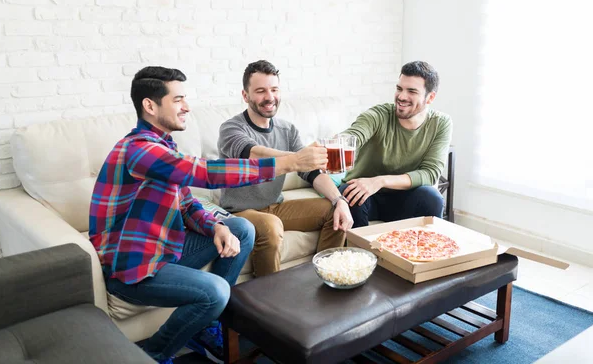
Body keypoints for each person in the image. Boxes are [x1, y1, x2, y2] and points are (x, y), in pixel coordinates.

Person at [89, 66, 325, 364]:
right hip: (134, 266)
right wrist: (289, 163)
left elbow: (187, 203)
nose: (187, 106)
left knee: (240, 228)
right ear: (150, 106)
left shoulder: (163, 146)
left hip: (165, 250)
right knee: (215, 291)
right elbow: (203, 172)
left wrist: (215, 227)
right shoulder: (139, 151)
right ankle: (153, 354)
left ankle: (206, 322)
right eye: (178, 100)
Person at [217, 60, 353, 277]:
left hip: (275, 206)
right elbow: (253, 154)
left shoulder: (287, 130)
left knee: (333, 212)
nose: (269, 97)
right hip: (240, 211)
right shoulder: (231, 128)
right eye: (260, 91)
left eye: (274, 89)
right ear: (246, 96)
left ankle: (325, 278)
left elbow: (312, 173)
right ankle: (268, 300)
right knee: (271, 227)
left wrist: (340, 200)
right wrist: (299, 158)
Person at [339, 61, 453, 227]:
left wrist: (380, 181)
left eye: (411, 91)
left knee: (432, 197)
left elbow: (430, 173)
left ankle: (426, 252)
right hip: (366, 195)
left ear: (430, 97)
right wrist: (336, 144)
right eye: (399, 88)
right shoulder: (379, 115)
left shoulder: (441, 123)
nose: (401, 96)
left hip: (404, 197)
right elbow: (354, 135)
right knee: (349, 194)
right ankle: (361, 252)